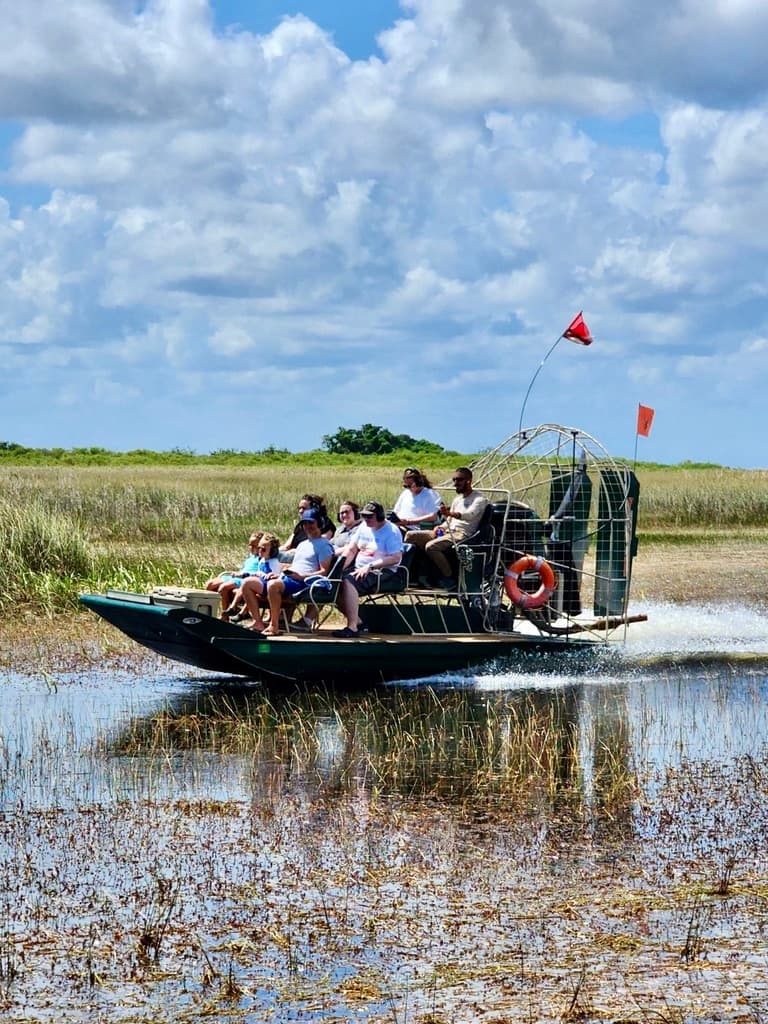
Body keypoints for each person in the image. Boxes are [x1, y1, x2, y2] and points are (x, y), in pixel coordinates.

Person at [240, 508, 334, 636]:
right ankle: (258, 622)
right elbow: (296, 565)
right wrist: (280, 573)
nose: (307, 526)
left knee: (273, 585)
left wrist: (301, 576)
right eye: (305, 523)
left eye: (311, 523)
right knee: (247, 583)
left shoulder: (324, 545)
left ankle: (274, 626)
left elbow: (324, 572)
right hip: (288, 578)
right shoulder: (303, 544)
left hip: (304, 582)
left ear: (319, 523)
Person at [405, 468, 488, 590]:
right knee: (410, 536)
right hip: (448, 531)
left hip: (463, 534)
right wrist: (441, 526)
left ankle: (449, 578)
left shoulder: (479, 499)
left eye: (459, 480)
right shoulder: (457, 499)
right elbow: (448, 521)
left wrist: (450, 513)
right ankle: (413, 574)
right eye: (454, 480)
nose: (455, 483)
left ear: (469, 481)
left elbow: (470, 515)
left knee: (431, 546)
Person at [333, 501, 404, 638]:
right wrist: (339, 568)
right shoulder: (363, 527)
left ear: (379, 516)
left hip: (383, 570)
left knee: (348, 581)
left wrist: (370, 566)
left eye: (369, 517)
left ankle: (352, 627)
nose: (366, 520)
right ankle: (359, 623)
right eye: (364, 516)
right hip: (360, 567)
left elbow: (395, 558)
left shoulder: (392, 531)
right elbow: (352, 550)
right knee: (334, 583)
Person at [205, 530, 265, 616]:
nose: (251, 548)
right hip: (238, 576)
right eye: (250, 545)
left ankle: (225, 616)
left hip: (247, 579)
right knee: (210, 584)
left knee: (223, 587)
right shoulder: (250, 557)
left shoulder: (262, 557)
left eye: (254, 546)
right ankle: (208, 612)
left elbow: (259, 572)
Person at [225, 533, 281, 623]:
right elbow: (257, 573)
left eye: (263, 549)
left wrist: (267, 575)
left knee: (247, 584)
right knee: (245, 584)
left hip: (269, 588)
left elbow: (275, 577)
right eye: (259, 548)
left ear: (272, 551)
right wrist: (243, 574)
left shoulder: (273, 562)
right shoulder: (262, 560)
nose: (259, 551)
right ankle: (235, 609)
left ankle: (240, 611)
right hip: (260, 585)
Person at [280, 494, 334, 561]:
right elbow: (287, 546)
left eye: (304, 508)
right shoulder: (300, 525)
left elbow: (321, 542)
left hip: (306, 557)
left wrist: (298, 550)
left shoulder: (326, 524)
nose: (300, 511)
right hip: (290, 554)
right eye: (299, 508)